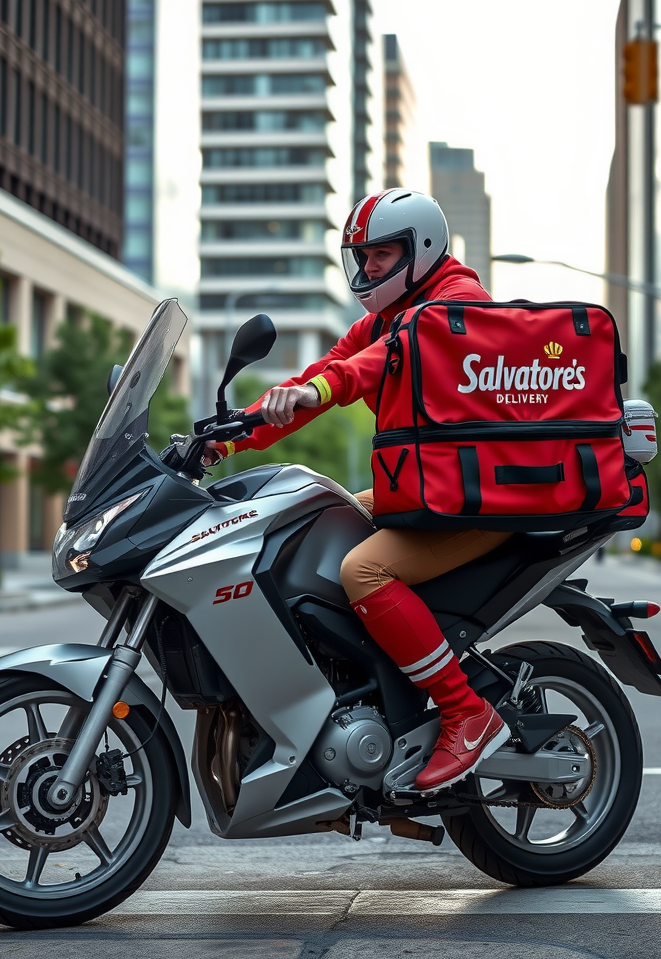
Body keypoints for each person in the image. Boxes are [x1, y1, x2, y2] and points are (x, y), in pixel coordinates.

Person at [205, 189, 512, 795]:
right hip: (428, 489)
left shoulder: (458, 307)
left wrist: (323, 391)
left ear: (421, 250)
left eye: (382, 254)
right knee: (305, 514)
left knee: (364, 572)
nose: (368, 267)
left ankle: (464, 710)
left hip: (481, 496)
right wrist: (227, 436)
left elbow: (379, 365)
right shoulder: (383, 319)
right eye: (362, 256)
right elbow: (318, 377)